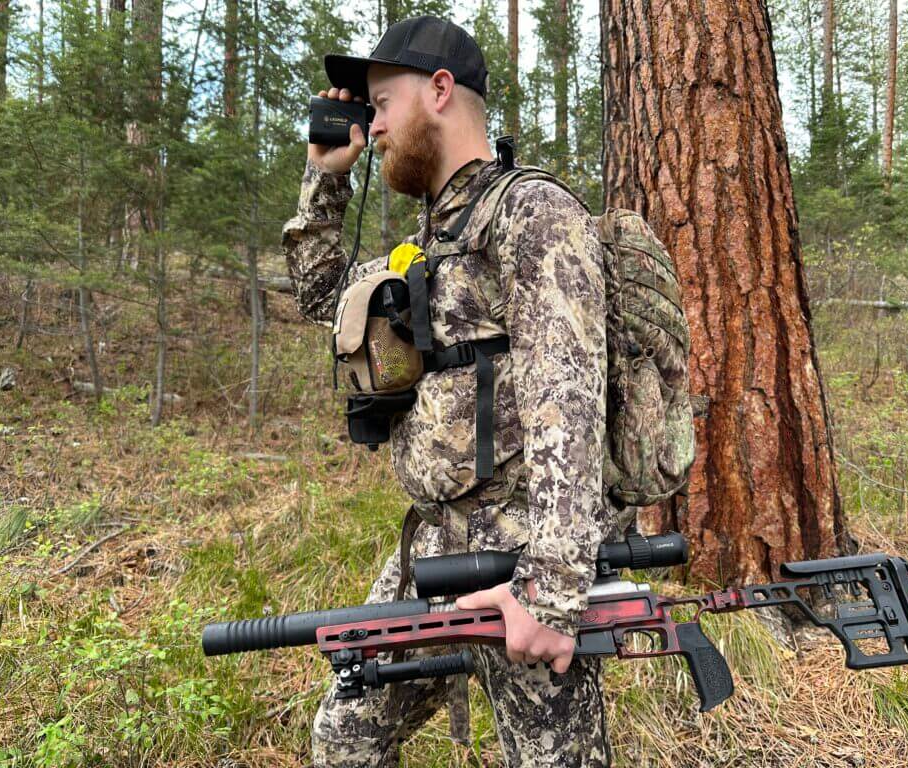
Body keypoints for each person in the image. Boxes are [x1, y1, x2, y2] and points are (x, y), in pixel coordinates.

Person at [282, 15, 615, 767]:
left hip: (520, 557)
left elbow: (571, 398)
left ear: (439, 90)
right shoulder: (434, 238)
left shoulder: (532, 213)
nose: (373, 126)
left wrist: (552, 593)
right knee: (346, 738)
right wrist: (326, 178)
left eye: (380, 105)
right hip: (432, 546)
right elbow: (323, 298)